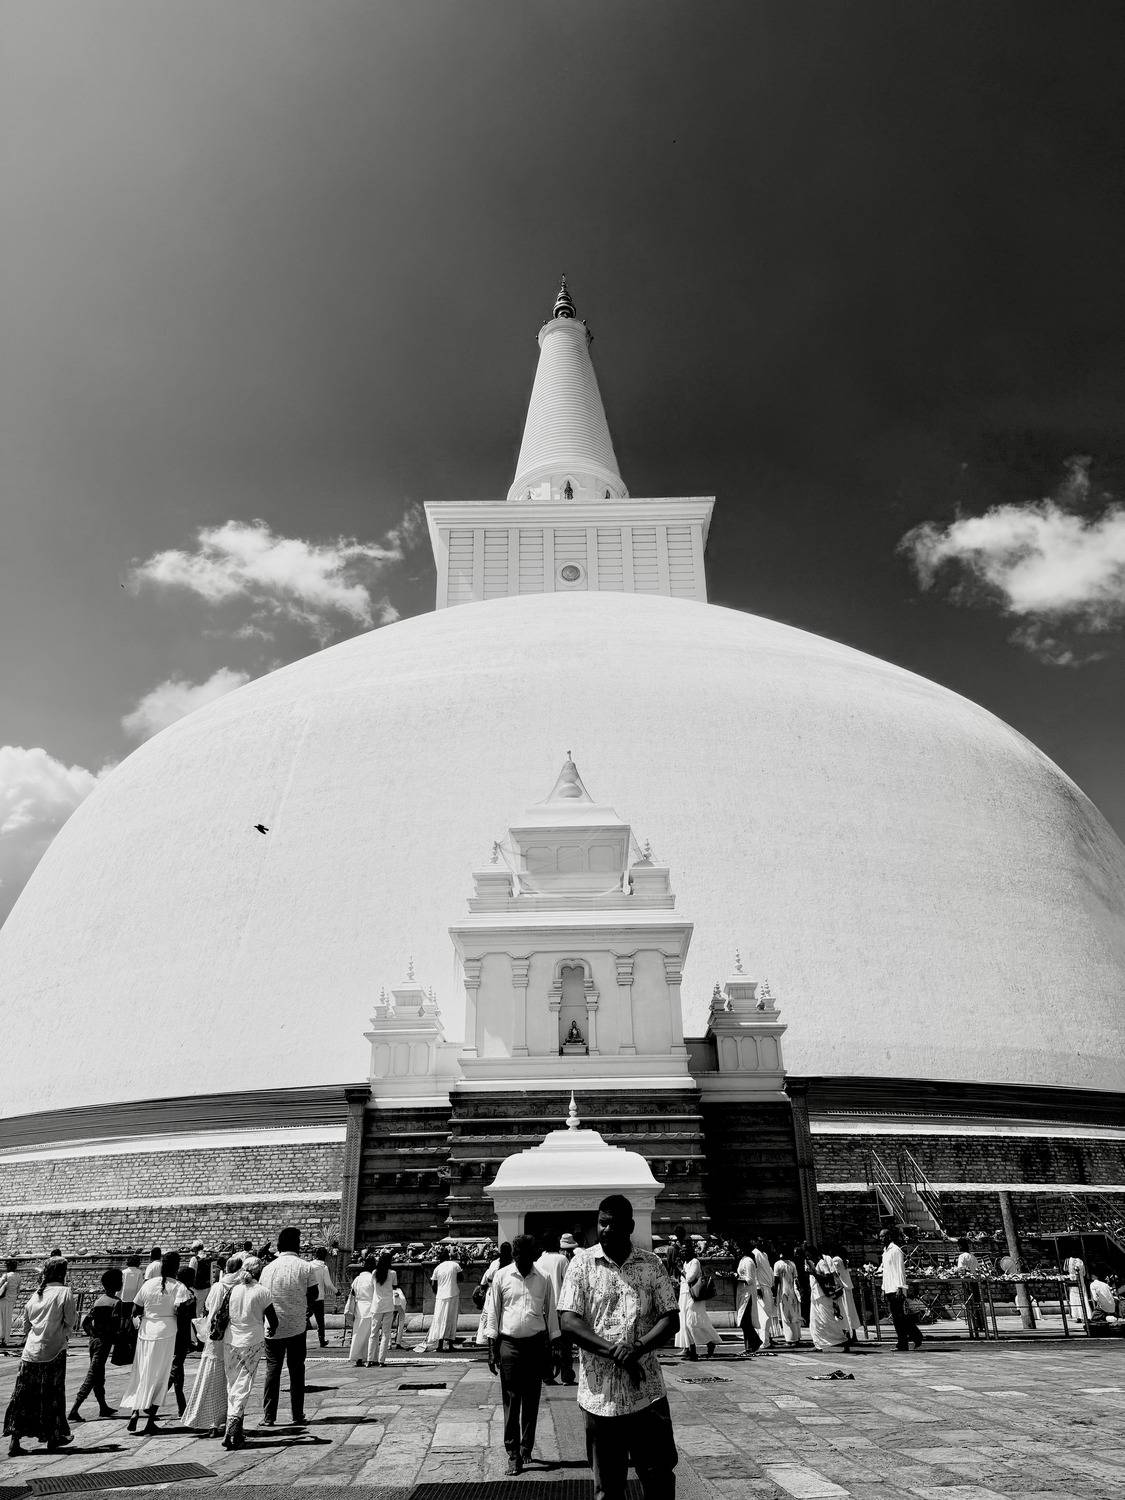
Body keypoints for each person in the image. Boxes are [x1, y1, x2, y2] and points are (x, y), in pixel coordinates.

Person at [558, 1194, 679, 1500]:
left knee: (659, 1476)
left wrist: (637, 1347)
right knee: (608, 1488)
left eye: (615, 1223)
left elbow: (671, 1318)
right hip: (602, 1398)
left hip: (647, 1394)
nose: (607, 1229)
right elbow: (569, 1322)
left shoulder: (650, 1264)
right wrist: (615, 1351)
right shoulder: (582, 1265)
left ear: (630, 1226)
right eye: (603, 1222)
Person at [482, 1233, 560, 1476]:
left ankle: (527, 1446)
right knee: (512, 1398)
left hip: (536, 1344)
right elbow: (493, 1312)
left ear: (533, 1257)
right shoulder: (502, 1276)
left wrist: (555, 1347)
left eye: (526, 1257)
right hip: (509, 1345)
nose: (521, 1261)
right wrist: (491, 1347)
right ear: (514, 1256)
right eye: (518, 1257)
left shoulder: (544, 1278)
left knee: (532, 1397)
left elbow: (551, 1313)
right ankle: (513, 1452)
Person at [3, 1258, 78, 1456]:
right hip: (54, 1351)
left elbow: (26, 1325)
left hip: (30, 1353)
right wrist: (62, 1333)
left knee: (23, 1396)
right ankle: (53, 1436)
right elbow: (71, 1320)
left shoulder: (37, 1294)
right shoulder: (65, 1292)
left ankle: (15, 1439)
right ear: (62, 1273)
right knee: (52, 1395)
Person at [121, 1251, 194, 1435]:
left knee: (143, 1371)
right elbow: (180, 1309)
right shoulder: (179, 1287)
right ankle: (150, 1419)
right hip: (167, 1332)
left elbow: (136, 1308)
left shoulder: (149, 1284)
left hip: (146, 1331)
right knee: (160, 1377)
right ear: (176, 1267)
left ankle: (135, 1411)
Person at [259, 1225, 317, 1427]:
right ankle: (297, 1414)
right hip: (296, 1326)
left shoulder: (267, 1269)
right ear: (296, 1244)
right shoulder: (306, 1267)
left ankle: (269, 1416)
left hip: (272, 1327)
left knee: (272, 1371)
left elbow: (262, 1297)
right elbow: (314, 1294)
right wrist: (305, 1308)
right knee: (296, 1370)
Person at [222, 1255, 278, 1449]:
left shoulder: (233, 1290)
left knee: (233, 1383)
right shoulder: (262, 1292)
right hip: (252, 1341)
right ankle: (234, 1422)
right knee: (244, 1383)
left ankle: (236, 1431)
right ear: (258, 1272)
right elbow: (273, 1319)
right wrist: (272, 1329)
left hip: (230, 1340)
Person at [182, 1257, 242, 1438]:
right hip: (232, 1337)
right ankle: (224, 1419)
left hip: (214, 1337)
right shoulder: (239, 1287)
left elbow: (208, 1308)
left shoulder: (218, 1287)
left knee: (210, 1379)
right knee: (230, 1382)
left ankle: (211, 1420)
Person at [68, 1267, 123, 1423]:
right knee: (93, 1375)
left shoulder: (99, 1301)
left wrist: (92, 1334)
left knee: (99, 1375)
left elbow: (86, 1321)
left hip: (94, 1341)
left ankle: (103, 1407)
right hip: (103, 1342)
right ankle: (74, 1410)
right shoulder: (116, 1303)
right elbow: (115, 1325)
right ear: (116, 1285)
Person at [536, 1232, 577, 1383]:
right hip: (561, 1307)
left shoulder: (539, 1260)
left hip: (545, 1308)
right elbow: (568, 1283)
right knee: (565, 1343)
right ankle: (566, 1374)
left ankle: (547, 1374)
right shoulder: (562, 1259)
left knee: (546, 1344)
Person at [880, 1227, 922, 1352]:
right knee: (898, 1317)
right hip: (889, 1287)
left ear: (888, 1237)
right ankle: (914, 1337)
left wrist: (900, 1287)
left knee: (899, 1317)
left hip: (896, 1288)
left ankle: (906, 1341)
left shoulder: (896, 1250)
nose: (881, 1239)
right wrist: (883, 1289)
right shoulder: (885, 1251)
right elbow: (886, 1272)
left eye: (883, 1236)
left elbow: (900, 1270)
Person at [676, 1239, 719, 1361]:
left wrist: (680, 1269)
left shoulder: (695, 1262)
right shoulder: (685, 1263)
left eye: (685, 1250)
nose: (683, 1253)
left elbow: (689, 1278)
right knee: (684, 1322)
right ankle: (691, 1350)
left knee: (692, 1322)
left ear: (691, 1251)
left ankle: (710, 1342)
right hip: (684, 1295)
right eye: (682, 1251)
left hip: (694, 1297)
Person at [167, 1264, 198, 1417]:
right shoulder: (185, 1293)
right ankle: (153, 1401)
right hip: (181, 1336)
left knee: (178, 1372)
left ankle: (182, 1407)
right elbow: (183, 1313)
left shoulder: (175, 1290)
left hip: (175, 1335)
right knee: (175, 1369)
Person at [807, 1246, 850, 1352]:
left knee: (827, 1320)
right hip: (815, 1295)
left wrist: (814, 1273)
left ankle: (843, 1340)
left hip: (823, 1296)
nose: (808, 1258)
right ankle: (818, 1344)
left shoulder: (821, 1263)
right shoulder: (814, 1264)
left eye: (809, 1255)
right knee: (815, 1321)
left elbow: (828, 1277)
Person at [425, 1247, 463, 1352]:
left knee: (439, 1319)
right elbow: (461, 1278)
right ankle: (450, 1344)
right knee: (451, 1319)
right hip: (453, 1294)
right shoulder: (455, 1265)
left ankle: (440, 1344)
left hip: (441, 1296)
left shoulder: (437, 1268)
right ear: (449, 1256)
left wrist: (438, 1292)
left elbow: (433, 1284)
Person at [475, 1242, 512, 1347]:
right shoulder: (513, 1263)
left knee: (492, 1316)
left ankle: (490, 1340)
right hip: (507, 1292)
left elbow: (487, 1278)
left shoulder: (495, 1263)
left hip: (493, 1292)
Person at [367, 1252, 398, 1367]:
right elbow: (394, 1287)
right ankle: (381, 1360)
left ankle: (370, 1359)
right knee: (386, 1334)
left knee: (373, 1333)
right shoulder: (393, 1273)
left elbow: (372, 1286)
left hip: (376, 1305)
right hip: (388, 1305)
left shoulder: (375, 1273)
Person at [348, 1253, 379, 1365]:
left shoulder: (357, 1279)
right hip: (370, 1307)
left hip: (359, 1307)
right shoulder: (372, 1278)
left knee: (358, 1333)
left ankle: (357, 1356)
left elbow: (352, 1293)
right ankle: (369, 1356)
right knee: (370, 1334)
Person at [827, 1245, 861, 1344]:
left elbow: (834, 1274)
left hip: (842, 1290)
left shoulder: (836, 1260)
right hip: (847, 1289)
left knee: (843, 1312)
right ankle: (853, 1335)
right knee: (850, 1312)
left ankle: (846, 1336)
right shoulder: (843, 1260)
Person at [734, 1242, 760, 1357]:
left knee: (745, 1321)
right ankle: (749, 1346)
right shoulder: (743, 1260)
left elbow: (749, 1279)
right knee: (744, 1321)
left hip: (747, 1294)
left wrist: (736, 1277)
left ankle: (754, 1342)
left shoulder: (748, 1261)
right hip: (742, 1293)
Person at [955, 1238, 985, 1335]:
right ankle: (981, 1324)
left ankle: (974, 1327)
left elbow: (961, 1270)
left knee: (970, 1304)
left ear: (960, 1246)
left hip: (967, 1282)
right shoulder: (973, 1256)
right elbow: (978, 1269)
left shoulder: (961, 1257)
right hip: (975, 1281)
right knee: (977, 1303)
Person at [751, 1239, 777, 1347]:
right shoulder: (755, 1253)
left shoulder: (764, 1254)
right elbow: (754, 1270)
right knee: (763, 1316)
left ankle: (767, 1338)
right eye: (761, 1242)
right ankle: (763, 1341)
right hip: (761, 1287)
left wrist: (772, 1285)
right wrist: (757, 1286)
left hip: (767, 1287)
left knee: (768, 1314)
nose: (764, 1244)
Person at [773, 1249, 802, 1345]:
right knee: (794, 1315)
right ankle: (796, 1337)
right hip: (792, 1293)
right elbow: (796, 1279)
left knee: (786, 1317)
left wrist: (774, 1295)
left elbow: (776, 1281)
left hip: (783, 1293)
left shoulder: (778, 1264)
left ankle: (790, 1340)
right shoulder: (792, 1264)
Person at [309, 1247, 336, 1348]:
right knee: (320, 1320)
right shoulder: (323, 1267)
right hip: (319, 1297)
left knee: (305, 1317)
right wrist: (336, 1292)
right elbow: (328, 1284)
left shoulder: (309, 1265)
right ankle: (321, 1340)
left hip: (309, 1296)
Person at [0, 1260, 21, 1354]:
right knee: (8, 1320)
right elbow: (18, 1289)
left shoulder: (6, 1275)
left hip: (3, 1299)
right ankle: (6, 1340)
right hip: (11, 1300)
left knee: (1, 1319)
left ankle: (1, 1337)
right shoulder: (18, 1276)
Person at [1064, 1252, 1089, 1322]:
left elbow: (1065, 1269)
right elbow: (1084, 1273)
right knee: (1083, 1296)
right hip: (1080, 1279)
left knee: (1074, 1297)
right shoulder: (1081, 1261)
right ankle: (1085, 1315)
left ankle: (1078, 1316)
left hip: (1073, 1279)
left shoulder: (1068, 1260)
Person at [120, 1254, 143, 1319]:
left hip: (124, 1297)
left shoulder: (124, 1272)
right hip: (134, 1299)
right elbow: (140, 1286)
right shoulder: (139, 1272)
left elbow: (121, 1286)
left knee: (123, 1317)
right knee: (133, 1318)